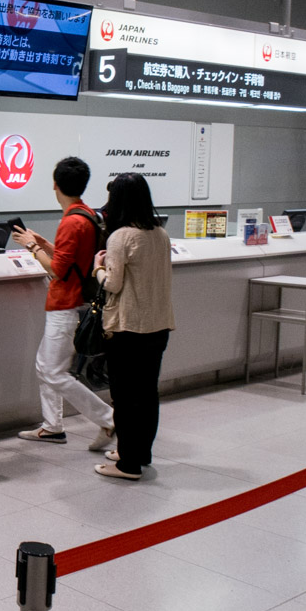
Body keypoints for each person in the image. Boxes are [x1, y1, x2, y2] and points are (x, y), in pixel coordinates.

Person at [12, 156, 115, 450]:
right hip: (75, 301)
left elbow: (57, 270)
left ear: (55, 184)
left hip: (64, 304)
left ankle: (107, 417)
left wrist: (31, 246)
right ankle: (52, 425)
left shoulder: (71, 222)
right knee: (45, 365)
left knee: (52, 371)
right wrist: (46, 245)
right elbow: (72, 260)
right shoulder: (88, 215)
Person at [91, 173, 175, 480]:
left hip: (127, 328)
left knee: (125, 397)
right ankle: (140, 453)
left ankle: (127, 464)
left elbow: (112, 284)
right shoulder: (160, 234)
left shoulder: (121, 237)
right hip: (158, 326)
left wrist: (98, 268)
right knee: (147, 393)